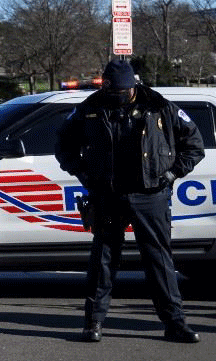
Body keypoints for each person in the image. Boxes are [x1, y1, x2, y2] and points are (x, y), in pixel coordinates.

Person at [56, 59, 205, 343]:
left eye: (121, 93)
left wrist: (171, 174)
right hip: (108, 194)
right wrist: (84, 174)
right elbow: (63, 144)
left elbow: (193, 145)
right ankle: (93, 323)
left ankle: (175, 323)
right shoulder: (90, 107)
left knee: (159, 260)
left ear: (133, 87)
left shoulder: (159, 106)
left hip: (150, 195)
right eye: (111, 92)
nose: (116, 97)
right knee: (103, 260)